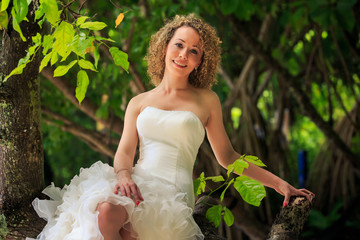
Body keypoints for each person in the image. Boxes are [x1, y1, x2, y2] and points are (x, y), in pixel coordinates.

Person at [28, 14, 314, 240]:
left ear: (200, 62)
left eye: (194, 51)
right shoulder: (138, 102)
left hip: (171, 193)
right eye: (179, 44)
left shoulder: (207, 100)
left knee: (130, 231)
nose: (183, 55)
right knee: (104, 213)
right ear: (165, 46)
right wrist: (125, 176)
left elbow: (228, 158)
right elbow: (125, 151)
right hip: (136, 182)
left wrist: (280, 184)